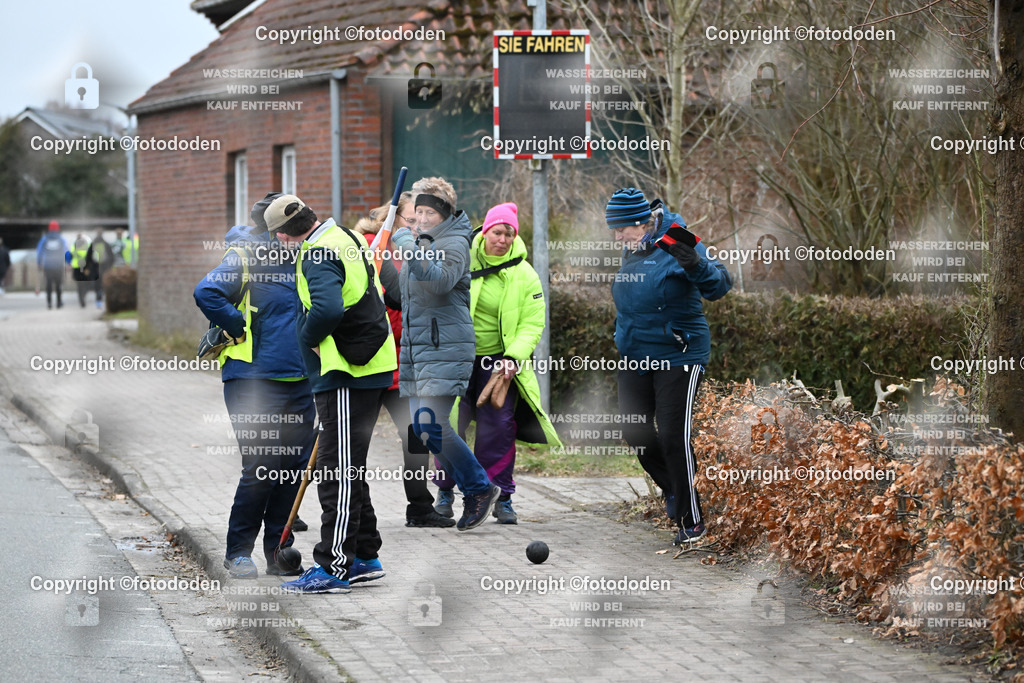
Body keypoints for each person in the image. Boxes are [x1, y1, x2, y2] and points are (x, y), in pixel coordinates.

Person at [268, 194, 397, 594]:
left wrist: (306, 342)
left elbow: (325, 310)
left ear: (284, 235)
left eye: (278, 239)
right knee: (348, 464)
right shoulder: (346, 236)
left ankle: (334, 565)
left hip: (345, 370)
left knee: (336, 470)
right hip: (373, 366)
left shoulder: (317, 252)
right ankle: (364, 556)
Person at [194, 193, 317, 579]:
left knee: (293, 468)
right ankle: (238, 552)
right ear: (272, 230)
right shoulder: (245, 256)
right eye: (285, 229)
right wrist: (236, 325)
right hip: (251, 379)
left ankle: (278, 551)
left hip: (301, 380)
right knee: (263, 465)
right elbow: (206, 292)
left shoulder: (304, 256)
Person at [605, 187, 732, 545]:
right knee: (634, 431)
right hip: (635, 355)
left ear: (641, 223)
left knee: (674, 435)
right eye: (614, 231)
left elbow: (719, 286)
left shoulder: (676, 239)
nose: (617, 238)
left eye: (621, 230)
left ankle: (693, 522)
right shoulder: (632, 249)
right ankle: (674, 488)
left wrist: (695, 263)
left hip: (680, 354)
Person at [431, 202, 561, 524]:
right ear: (485, 231)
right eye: (497, 232)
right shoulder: (460, 261)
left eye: (509, 233)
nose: (502, 239)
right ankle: (446, 490)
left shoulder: (525, 275)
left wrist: (513, 359)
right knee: (448, 423)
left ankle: (502, 495)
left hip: (499, 363)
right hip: (457, 357)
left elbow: (532, 324)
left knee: (498, 427)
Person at [390, 177, 500, 531]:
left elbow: (437, 282)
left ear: (445, 213)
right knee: (421, 431)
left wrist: (409, 246)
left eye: (428, 212)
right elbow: (405, 295)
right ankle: (476, 488)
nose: (420, 218)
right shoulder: (423, 241)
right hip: (417, 349)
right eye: (417, 212)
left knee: (430, 425)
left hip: (445, 347)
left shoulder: (455, 243)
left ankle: (479, 488)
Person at [355, 194, 453, 528]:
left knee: (415, 436)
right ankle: (354, 510)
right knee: (355, 442)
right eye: (410, 220)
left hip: (401, 364)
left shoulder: (418, 251)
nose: (416, 226)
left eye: (421, 221)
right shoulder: (369, 247)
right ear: (393, 219)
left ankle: (420, 507)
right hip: (366, 364)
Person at [36, 220, 69, 309]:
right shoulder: (61, 239)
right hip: (58, 265)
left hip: (48, 265)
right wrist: (69, 263)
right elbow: (66, 251)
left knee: (48, 284)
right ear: (57, 229)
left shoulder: (45, 239)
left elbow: (39, 252)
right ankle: (59, 302)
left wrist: (39, 263)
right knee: (59, 284)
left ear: (49, 229)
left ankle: (49, 303)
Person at [86, 229, 114, 309]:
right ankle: (101, 295)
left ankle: (98, 298)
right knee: (104, 283)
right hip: (104, 267)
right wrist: (109, 266)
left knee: (96, 284)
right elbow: (111, 256)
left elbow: (88, 257)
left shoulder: (93, 244)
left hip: (95, 268)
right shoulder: (106, 244)